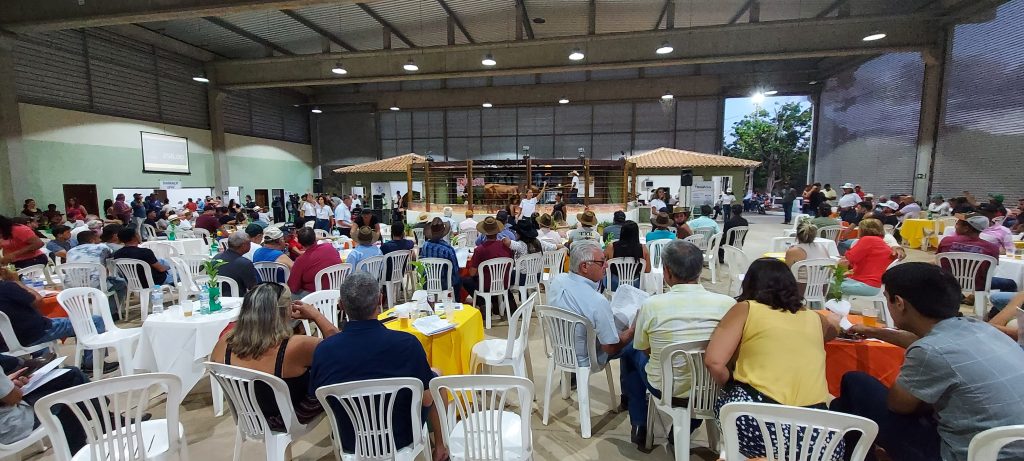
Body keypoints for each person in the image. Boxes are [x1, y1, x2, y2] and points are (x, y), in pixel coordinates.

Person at [830, 263, 1024, 461]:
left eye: (887, 298)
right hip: (1010, 448)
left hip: (963, 454)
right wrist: (873, 332)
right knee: (845, 406)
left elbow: (899, 405)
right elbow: (933, 343)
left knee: (855, 383)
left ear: (899, 303)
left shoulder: (929, 351)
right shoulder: (981, 329)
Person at [705, 258, 840, 460]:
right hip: (818, 437)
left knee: (726, 401)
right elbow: (834, 328)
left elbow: (714, 362)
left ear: (749, 284)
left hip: (758, 422)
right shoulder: (815, 318)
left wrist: (731, 385)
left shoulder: (746, 308)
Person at [309, 273, 448, 461]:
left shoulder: (324, 351)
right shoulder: (407, 344)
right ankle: (440, 448)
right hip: (402, 436)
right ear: (380, 300)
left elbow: (319, 398)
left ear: (341, 305)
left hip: (350, 439)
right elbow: (426, 400)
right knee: (436, 379)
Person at [620, 240, 735, 447]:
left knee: (629, 352)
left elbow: (644, 349)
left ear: (667, 271)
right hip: (712, 388)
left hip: (666, 388)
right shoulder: (728, 304)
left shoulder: (652, 305)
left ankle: (639, 423)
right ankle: (686, 428)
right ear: (699, 269)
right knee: (698, 376)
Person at [211, 283, 333, 431]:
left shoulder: (224, 343)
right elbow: (344, 350)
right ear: (285, 311)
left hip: (249, 417)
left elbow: (214, 363)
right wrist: (316, 315)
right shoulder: (297, 346)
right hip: (288, 419)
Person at [547, 241, 636, 436]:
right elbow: (610, 347)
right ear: (584, 267)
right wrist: (632, 331)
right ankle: (633, 403)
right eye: (601, 262)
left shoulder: (557, 280)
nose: (606, 265)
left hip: (561, 347)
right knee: (634, 346)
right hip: (586, 356)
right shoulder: (597, 301)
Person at [0, 267, 118, 374]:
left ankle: (45, 363)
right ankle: (92, 363)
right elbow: (38, 301)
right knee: (95, 321)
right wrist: (17, 282)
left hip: (6, 343)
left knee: (48, 323)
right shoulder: (7, 287)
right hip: (36, 333)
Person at [0, 363, 94, 453]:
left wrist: (7, 382)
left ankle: (98, 420)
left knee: (70, 375)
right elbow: (14, 397)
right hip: (10, 426)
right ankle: (98, 425)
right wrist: (10, 385)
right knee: (64, 398)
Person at [937, 213, 1017, 296]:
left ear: (966, 229)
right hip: (978, 285)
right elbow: (989, 270)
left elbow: (939, 259)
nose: (955, 226)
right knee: (1010, 284)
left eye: (957, 224)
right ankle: (998, 304)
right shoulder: (992, 248)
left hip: (948, 281)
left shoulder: (946, 241)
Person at [66, 230, 127, 309]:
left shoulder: (70, 251)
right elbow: (112, 258)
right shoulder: (102, 247)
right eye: (98, 238)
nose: (100, 240)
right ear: (92, 239)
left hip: (72, 285)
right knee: (121, 283)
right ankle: (111, 312)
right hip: (95, 284)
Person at [463, 217, 514, 305]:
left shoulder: (480, 250)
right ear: (497, 231)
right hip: (504, 283)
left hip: (486, 285)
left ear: (484, 233)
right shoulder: (507, 247)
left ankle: (483, 303)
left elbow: (472, 273)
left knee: (466, 281)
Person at [838, 219, 895, 296]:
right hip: (874, 285)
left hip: (864, 284)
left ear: (863, 230)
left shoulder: (867, 239)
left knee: (825, 284)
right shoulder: (880, 242)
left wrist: (846, 252)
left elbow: (851, 258)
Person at [286, 227, 341, 296]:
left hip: (314, 296)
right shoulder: (330, 247)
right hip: (336, 290)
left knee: (289, 293)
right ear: (315, 238)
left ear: (300, 242)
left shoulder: (301, 260)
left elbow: (293, 287)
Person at [419, 218, 461, 297]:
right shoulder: (448, 249)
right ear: (443, 232)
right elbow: (455, 270)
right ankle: (456, 300)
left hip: (427, 282)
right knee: (459, 279)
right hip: (444, 284)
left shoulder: (425, 246)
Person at [604, 221, 650, 291]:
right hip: (635, 284)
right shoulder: (643, 249)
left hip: (614, 284)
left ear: (622, 232)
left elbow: (603, 265)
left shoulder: (611, 247)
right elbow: (647, 270)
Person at [212, 232, 259, 296]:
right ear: (244, 245)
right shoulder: (245, 263)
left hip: (217, 296)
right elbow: (253, 287)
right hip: (237, 298)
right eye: (249, 243)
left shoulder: (216, 257)